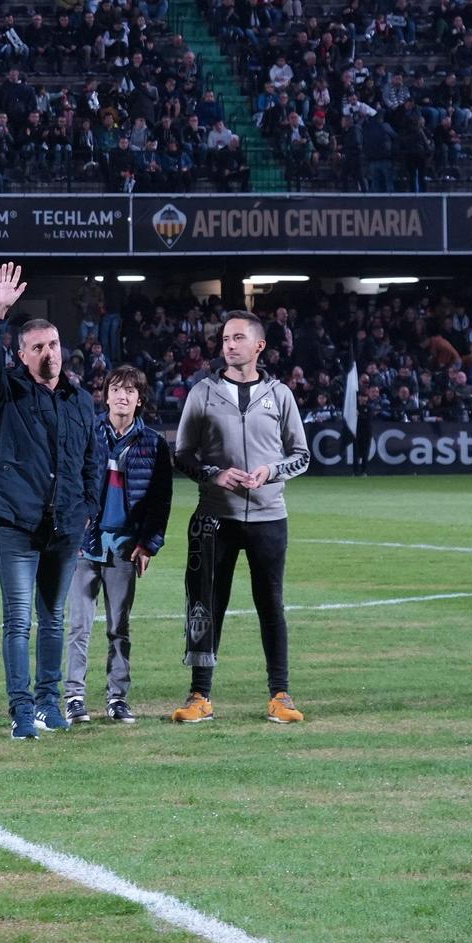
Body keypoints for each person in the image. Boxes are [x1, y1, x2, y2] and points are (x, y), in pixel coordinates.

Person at [0, 263, 103, 740]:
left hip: (66, 524)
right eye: (37, 347)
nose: (48, 353)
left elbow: (92, 457)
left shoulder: (80, 399)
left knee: (53, 620)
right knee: (19, 620)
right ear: (21, 354)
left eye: (53, 345)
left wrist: (88, 505)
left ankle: (50, 702)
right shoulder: (7, 390)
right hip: (18, 521)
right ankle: (21, 708)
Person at [171, 311, 310, 725]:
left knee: (271, 605)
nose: (228, 345)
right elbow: (181, 456)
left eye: (237, 338)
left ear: (259, 346)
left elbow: (301, 456)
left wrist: (270, 472)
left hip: (269, 517)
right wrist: (217, 474)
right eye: (225, 339)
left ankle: (280, 695)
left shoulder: (280, 395)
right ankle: (199, 695)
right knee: (206, 606)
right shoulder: (203, 392)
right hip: (216, 517)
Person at [62, 366, 172, 726]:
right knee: (79, 625)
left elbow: (160, 500)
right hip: (84, 544)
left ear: (140, 399)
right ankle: (74, 696)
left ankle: (117, 697)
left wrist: (149, 545)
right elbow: (69, 482)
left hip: (125, 547)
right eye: (115, 389)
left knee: (118, 628)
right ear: (105, 395)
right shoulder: (86, 431)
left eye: (129, 391)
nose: (122, 396)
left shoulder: (153, 443)